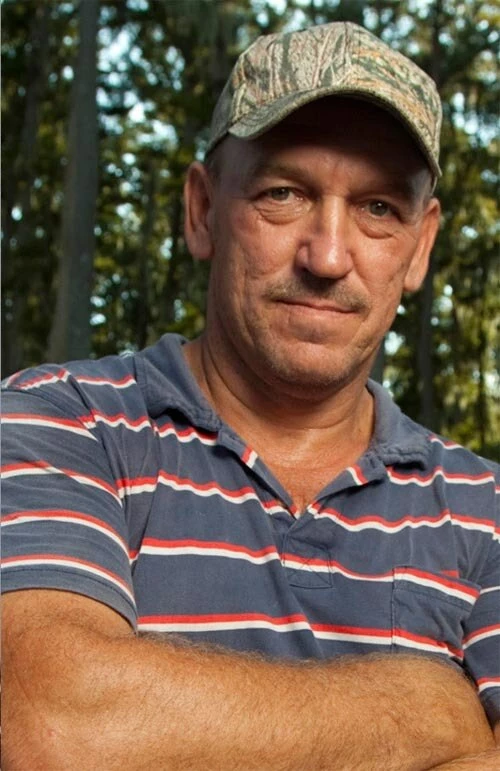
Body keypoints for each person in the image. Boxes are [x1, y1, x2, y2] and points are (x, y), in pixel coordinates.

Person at [2, 21, 499, 771]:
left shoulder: (485, 511)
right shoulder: (59, 422)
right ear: (203, 211)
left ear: (420, 245)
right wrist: (425, 705)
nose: (327, 256)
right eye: (283, 193)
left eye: (378, 209)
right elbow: (51, 725)